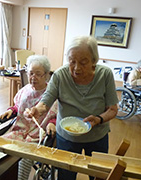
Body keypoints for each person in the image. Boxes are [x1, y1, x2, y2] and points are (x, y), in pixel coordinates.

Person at [24, 36, 118, 180]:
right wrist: (37, 109)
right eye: (72, 61)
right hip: (67, 137)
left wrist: (98, 119)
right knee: (65, 176)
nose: (76, 68)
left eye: (83, 62)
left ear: (94, 61)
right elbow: (46, 100)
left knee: (99, 175)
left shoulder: (105, 75)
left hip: (97, 135)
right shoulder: (60, 76)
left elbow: (112, 109)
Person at [0, 55, 57, 180]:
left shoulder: (51, 93)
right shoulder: (25, 90)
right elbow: (17, 106)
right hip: (19, 130)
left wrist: (52, 123)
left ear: (46, 75)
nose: (33, 77)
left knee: (25, 157)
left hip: (37, 136)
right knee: (0, 146)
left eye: (38, 74)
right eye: (30, 73)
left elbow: (56, 114)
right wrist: (10, 111)